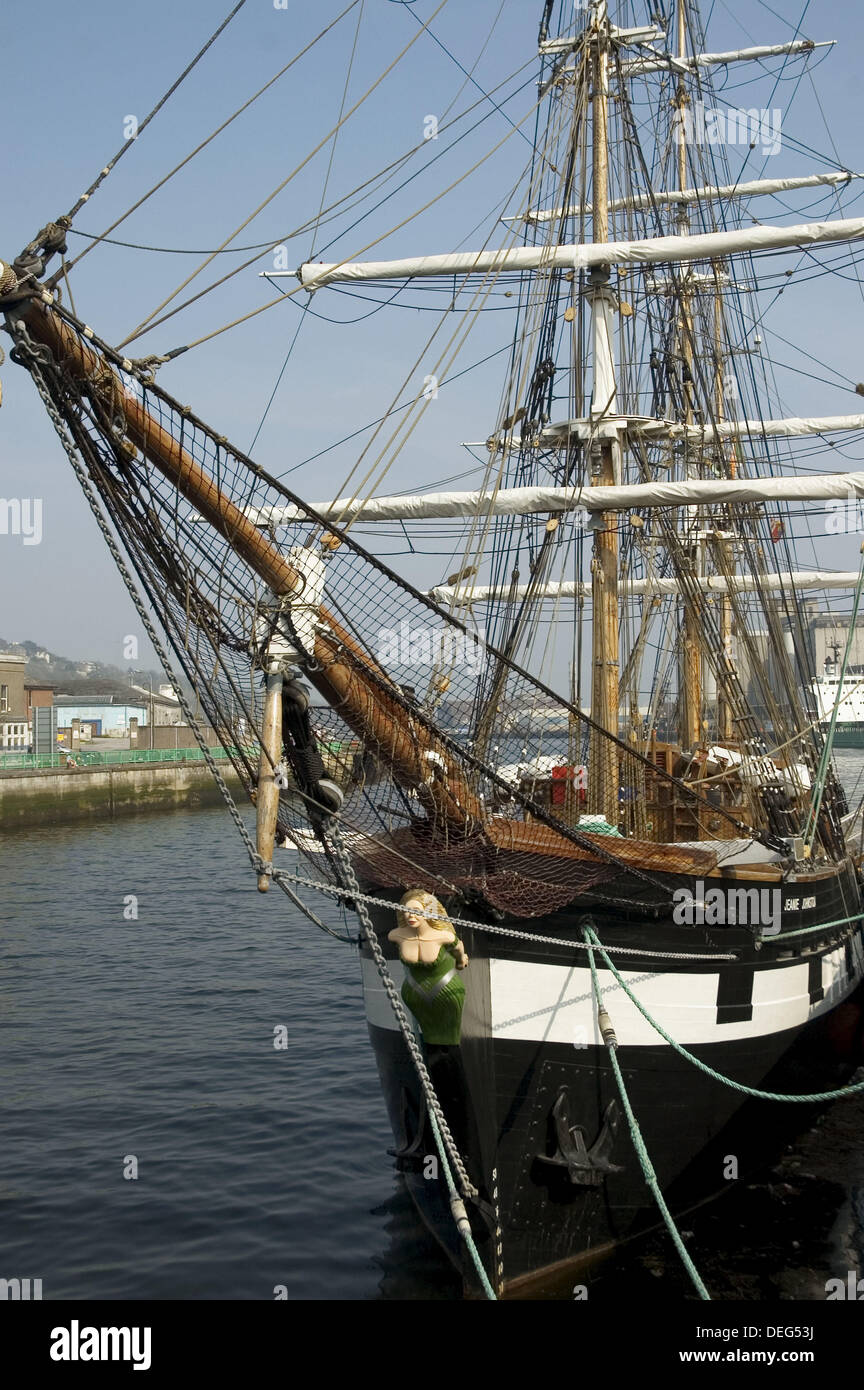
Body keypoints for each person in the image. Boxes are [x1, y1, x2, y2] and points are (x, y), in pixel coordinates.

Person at [388, 889, 468, 1046]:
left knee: (449, 1038)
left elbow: (458, 947)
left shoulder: (444, 936)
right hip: (413, 994)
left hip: (447, 992)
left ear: (428, 912)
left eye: (416, 911)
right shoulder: (396, 935)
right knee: (430, 1036)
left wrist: (461, 961)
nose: (411, 916)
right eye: (407, 911)